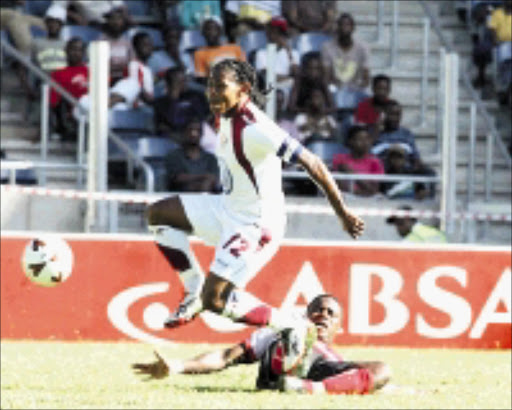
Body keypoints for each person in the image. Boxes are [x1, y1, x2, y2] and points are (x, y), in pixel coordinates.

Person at [145, 58, 364, 334]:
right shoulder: (222, 113)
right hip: (226, 206)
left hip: (256, 224)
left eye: (220, 87)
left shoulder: (256, 128)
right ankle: (192, 289)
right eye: (210, 86)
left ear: (244, 89)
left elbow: (313, 162)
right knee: (158, 214)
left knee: (215, 301)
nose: (212, 93)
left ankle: (293, 326)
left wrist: (342, 213)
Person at [132, 294, 391, 395]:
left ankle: (304, 387)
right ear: (305, 313)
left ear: (339, 328)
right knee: (294, 335)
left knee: (382, 370)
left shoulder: (334, 359)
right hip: (280, 366)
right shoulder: (285, 327)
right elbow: (226, 356)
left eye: (331, 314)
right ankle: (293, 376)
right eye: (317, 310)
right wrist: (176, 366)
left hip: (320, 373)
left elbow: (369, 379)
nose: (323, 315)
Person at [153, 66, 210, 142]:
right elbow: (170, 122)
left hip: (200, 132)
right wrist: (174, 97)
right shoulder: (161, 103)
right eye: (178, 82)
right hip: (175, 137)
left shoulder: (196, 96)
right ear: (169, 85)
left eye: (184, 80)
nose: (183, 84)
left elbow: (204, 116)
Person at [164, 116, 220, 193]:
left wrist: (204, 183)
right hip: (180, 195)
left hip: (208, 192)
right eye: (190, 130)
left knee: (207, 184)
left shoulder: (210, 158)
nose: (194, 134)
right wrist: (203, 176)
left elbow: (214, 178)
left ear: (202, 134)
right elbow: (177, 178)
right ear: (184, 132)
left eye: (197, 131)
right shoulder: (174, 155)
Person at [321, 13, 370, 97]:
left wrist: (357, 89)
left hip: (356, 89)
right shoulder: (327, 47)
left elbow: (366, 78)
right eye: (341, 25)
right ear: (337, 28)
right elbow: (326, 76)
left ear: (353, 28)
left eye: (347, 25)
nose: (344, 28)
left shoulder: (363, 48)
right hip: (335, 88)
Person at [49, 37, 89, 141]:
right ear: (66, 51)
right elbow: (54, 102)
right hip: (70, 114)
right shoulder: (57, 73)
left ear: (83, 53)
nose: (75, 53)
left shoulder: (91, 71)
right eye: (72, 49)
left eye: (79, 50)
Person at [332, 125, 384, 196]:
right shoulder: (339, 159)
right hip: (345, 197)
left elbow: (373, 190)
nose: (365, 142)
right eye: (360, 139)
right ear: (350, 141)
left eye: (367, 138)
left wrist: (352, 174)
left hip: (368, 199)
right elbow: (336, 185)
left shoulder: (375, 162)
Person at [254, 16, 299, 91]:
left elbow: (296, 73)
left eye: (280, 33)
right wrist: (288, 78)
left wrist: (288, 51)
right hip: (270, 88)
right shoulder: (261, 53)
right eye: (273, 32)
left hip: (289, 89)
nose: (275, 36)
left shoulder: (294, 53)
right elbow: (268, 76)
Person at [193, 16, 246, 81]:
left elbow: (245, 70)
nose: (210, 32)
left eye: (213, 29)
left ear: (220, 31)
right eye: (207, 29)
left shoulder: (236, 48)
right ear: (203, 33)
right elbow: (202, 78)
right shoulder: (199, 54)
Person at [98, 5, 133, 85]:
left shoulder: (127, 41)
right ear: (108, 21)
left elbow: (132, 63)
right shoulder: (101, 41)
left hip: (124, 79)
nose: (116, 22)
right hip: (107, 80)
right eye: (113, 19)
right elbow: (100, 66)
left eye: (119, 19)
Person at [354, 74, 392, 141]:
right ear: (373, 89)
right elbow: (359, 129)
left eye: (385, 89)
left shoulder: (392, 106)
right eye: (379, 88)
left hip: (389, 138)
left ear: (389, 90)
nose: (382, 92)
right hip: (368, 139)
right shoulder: (363, 106)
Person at [127, 31, 154, 108]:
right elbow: (137, 91)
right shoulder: (134, 66)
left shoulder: (146, 68)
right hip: (137, 110)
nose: (149, 48)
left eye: (150, 45)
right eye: (145, 45)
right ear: (135, 47)